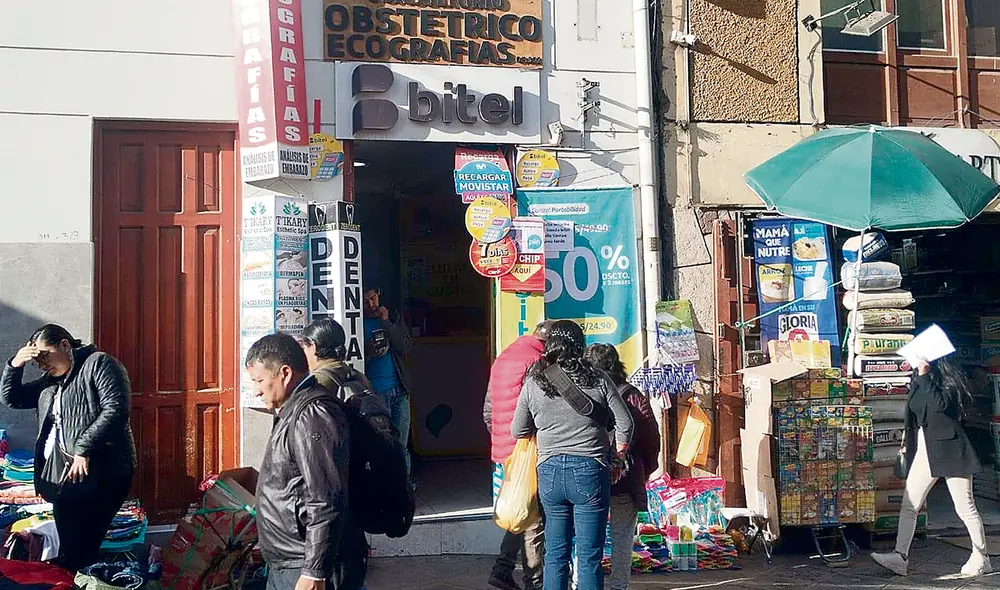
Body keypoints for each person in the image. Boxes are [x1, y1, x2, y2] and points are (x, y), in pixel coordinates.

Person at [1, 324, 135, 572]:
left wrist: (83, 448)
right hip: (67, 476)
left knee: (83, 546)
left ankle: (87, 580)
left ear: (65, 345)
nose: (42, 365)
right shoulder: (51, 382)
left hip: (103, 472)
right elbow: (13, 398)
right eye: (37, 361)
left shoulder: (99, 364)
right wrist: (16, 364)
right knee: (72, 549)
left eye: (45, 356)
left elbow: (116, 410)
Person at [512, 321, 634, 590]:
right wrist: (618, 455)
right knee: (589, 556)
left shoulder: (535, 382)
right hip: (590, 471)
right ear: (580, 346)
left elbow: (517, 429)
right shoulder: (599, 379)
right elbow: (625, 423)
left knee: (555, 553)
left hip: (550, 473)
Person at [246, 333, 358, 590]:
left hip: (305, 565)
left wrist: (314, 571)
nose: (256, 391)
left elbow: (326, 497)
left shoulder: (313, 414)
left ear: (285, 373)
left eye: (260, 380)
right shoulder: (292, 409)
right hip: (290, 561)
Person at [871, 357, 989, 578]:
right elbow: (914, 412)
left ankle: (981, 556)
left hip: (951, 449)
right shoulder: (919, 381)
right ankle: (900, 557)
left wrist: (924, 375)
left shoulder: (949, 382)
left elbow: (940, 406)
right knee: (909, 505)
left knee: (965, 507)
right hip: (925, 451)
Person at [298, 318, 374, 587]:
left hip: (335, 479)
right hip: (359, 480)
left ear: (313, 347)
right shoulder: (357, 375)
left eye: (304, 346)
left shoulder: (319, 382)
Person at [583, 344, 660, 590]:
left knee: (587, 535)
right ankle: (618, 585)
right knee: (622, 536)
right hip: (624, 475)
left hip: (588, 474)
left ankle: (584, 582)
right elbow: (651, 438)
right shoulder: (632, 396)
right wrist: (644, 469)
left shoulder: (581, 394)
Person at [484, 321, 554, 590]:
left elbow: (487, 410)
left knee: (519, 510)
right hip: (526, 447)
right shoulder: (536, 361)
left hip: (504, 445)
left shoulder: (506, 355)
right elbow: (536, 409)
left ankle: (502, 569)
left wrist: (500, 440)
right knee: (533, 518)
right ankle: (534, 582)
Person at [362, 287, 413, 474]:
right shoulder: (356, 323)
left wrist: (387, 323)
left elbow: (405, 348)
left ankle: (404, 490)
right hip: (375, 392)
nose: (371, 305)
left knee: (401, 446)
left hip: (398, 389)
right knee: (381, 446)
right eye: (366, 301)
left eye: (373, 299)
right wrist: (367, 352)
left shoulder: (392, 318)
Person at [300, 318, 373, 394]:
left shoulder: (315, 383)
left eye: (304, 348)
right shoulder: (360, 377)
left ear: (313, 347)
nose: (304, 353)